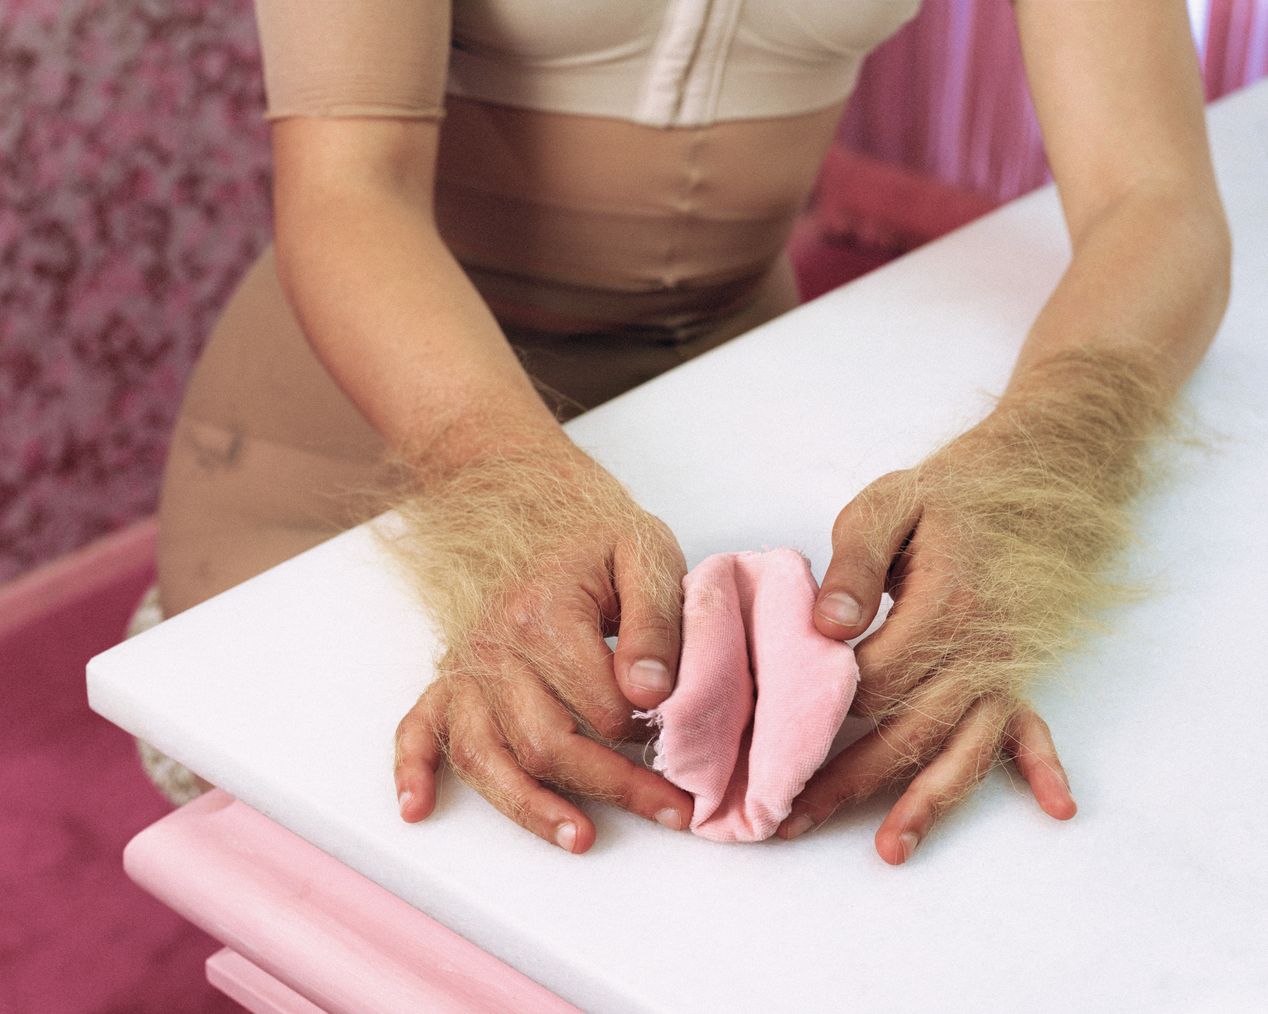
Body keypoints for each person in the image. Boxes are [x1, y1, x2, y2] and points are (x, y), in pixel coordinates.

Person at [143, 0, 1230, 864]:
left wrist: (1023, 479)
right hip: (361, 440)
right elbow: (349, 193)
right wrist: (516, 492)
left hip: (730, 406)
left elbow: (1154, 202)